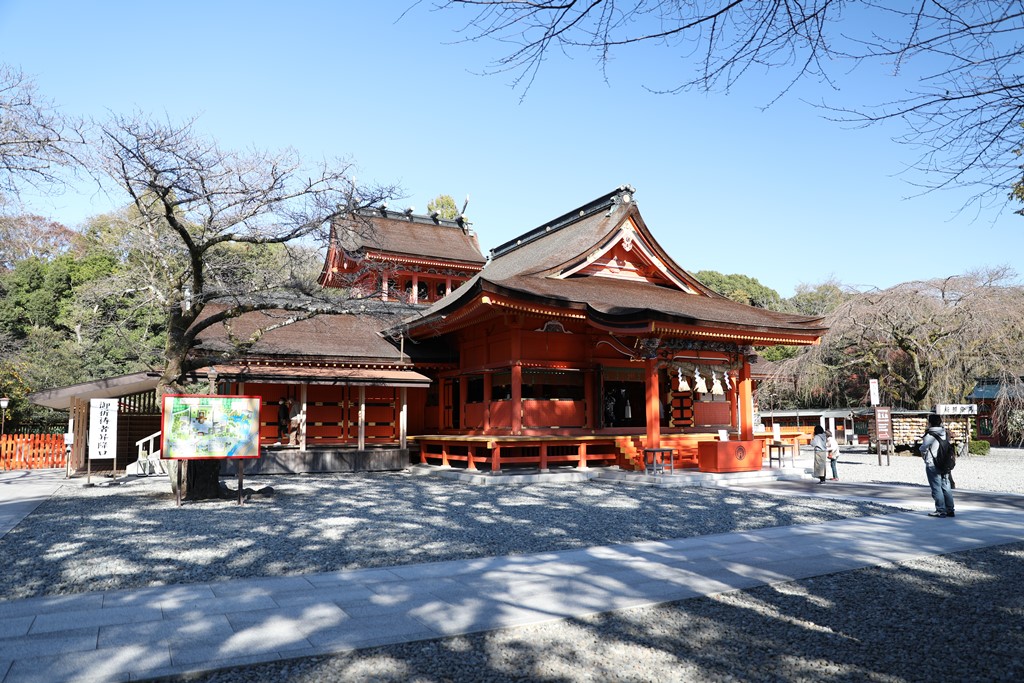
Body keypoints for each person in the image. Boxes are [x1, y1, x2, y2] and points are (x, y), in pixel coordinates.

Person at [919, 413, 955, 518]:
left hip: (932, 464)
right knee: (946, 487)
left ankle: (940, 510)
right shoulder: (945, 433)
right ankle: (950, 509)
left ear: (930, 423)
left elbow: (923, 448)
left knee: (936, 488)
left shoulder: (929, 435)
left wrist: (923, 455)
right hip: (945, 463)